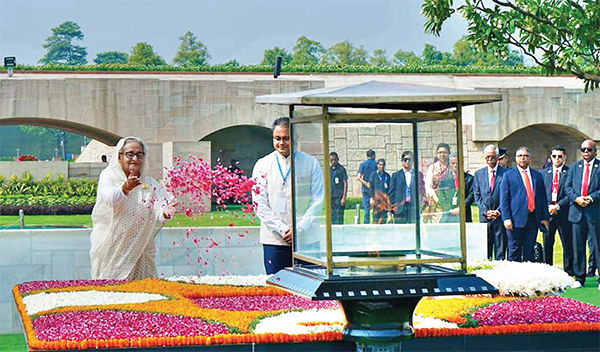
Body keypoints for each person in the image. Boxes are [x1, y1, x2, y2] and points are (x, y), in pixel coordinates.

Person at [90, 137, 177, 280]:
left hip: (140, 249)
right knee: (112, 291)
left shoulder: (149, 183)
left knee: (144, 291)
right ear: (119, 157)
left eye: (139, 154)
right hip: (114, 248)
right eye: (130, 154)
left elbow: (161, 208)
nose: (135, 158)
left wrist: (166, 213)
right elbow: (109, 198)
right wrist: (126, 188)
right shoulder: (109, 177)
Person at [252, 117, 324, 275]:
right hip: (275, 240)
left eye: (286, 138)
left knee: (310, 289)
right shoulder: (262, 165)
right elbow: (259, 203)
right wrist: (283, 229)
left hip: (307, 240)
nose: (281, 143)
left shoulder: (311, 163)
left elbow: (318, 200)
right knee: (277, 290)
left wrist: (299, 229)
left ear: (295, 139)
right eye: (277, 139)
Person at [500, 146, 549, 262]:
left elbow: (542, 198)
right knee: (514, 250)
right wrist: (506, 218)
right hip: (515, 220)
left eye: (526, 156)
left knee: (529, 250)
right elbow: (504, 199)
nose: (523, 158)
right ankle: (514, 278)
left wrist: (545, 217)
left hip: (533, 218)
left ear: (530, 159)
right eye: (520, 156)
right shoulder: (508, 175)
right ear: (516, 159)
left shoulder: (537, 175)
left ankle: (528, 277)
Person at [564, 139, 600, 289]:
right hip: (577, 212)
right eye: (583, 149)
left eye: (589, 150)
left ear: (595, 151)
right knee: (577, 246)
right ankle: (579, 278)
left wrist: (591, 198)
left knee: (597, 246)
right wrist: (576, 198)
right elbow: (567, 187)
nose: (586, 152)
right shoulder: (574, 167)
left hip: (594, 212)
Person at [541, 146, 573, 275]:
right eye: (554, 156)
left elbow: (571, 193)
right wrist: (548, 207)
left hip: (564, 213)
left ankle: (569, 272)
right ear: (551, 157)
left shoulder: (570, 172)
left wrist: (558, 206)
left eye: (560, 156)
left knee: (567, 244)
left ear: (564, 157)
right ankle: (548, 272)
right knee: (547, 243)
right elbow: (541, 193)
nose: (557, 159)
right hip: (548, 214)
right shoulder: (544, 173)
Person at [474, 145, 508, 260]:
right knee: (485, 249)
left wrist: (498, 211)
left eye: (492, 156)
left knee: (500, 248)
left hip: (500, 216)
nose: (489, 159)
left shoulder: (506, 173)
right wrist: (486, 211)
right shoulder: (479, 174)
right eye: (487, 157)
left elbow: (507, 195)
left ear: (498, 157)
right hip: (485, 217)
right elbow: (477, 196)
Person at [389, 151, 425, 224]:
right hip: (399, 209)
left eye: (410, 159)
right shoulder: (396, 175)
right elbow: (391, 194)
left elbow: (421, 191)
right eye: (405, 159)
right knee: (400, 231)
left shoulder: (418, 174)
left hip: (413, 208)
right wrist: (391, 210)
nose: (407, 161)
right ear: (402, 161)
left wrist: (421, 206)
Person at [441, 153, 474, 223]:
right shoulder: (444, 180)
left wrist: (461, 208)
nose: (455, 165)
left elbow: (471, 195)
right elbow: (442, 196)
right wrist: (449, 209)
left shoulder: (469, 179)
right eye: (453, 163)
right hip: (449, 215)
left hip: (464, 214)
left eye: (457, 163)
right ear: (450, 164)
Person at [424, 143, 451, 223]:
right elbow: (428, 186)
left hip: (450, 200)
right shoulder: (432, 167)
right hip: (436, 201)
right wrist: (437, 199)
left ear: (449, 153)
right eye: (440, 152)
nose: (442, 155)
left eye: (444, 152)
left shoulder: (453, 166)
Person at [357, 149, 378, 224]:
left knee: (366, 208)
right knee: (376, 207)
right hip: (375, 189)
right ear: (374, 156)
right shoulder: (376, 164)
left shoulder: (363, 164)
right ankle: (375, 222)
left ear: (366, 156)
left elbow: (358, 177)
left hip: (365, 189)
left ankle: (366, 223)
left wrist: (366, 183)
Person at [368, 158, 391, 223]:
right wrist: (372, 198)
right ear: (377, 165)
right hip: (376, 200)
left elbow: (389, 188)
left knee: (383, 218)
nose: (381, 166)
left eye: (383, 165)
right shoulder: (373, 175)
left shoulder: (387, 176)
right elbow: (371, 187)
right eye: (380, 165)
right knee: (376, 218)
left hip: (384, 200)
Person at [329, 152, 348, 224]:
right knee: (332, 216)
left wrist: (344, 197)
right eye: (331, 160)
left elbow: (345, 183)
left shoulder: (341, 169)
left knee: (339, 216)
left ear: (338, 159)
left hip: (339, 197)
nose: (333, 161)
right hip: (331, 197)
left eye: (334, 160)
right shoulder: (329, 170)